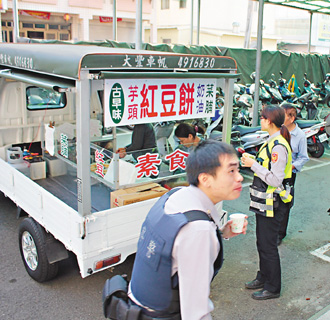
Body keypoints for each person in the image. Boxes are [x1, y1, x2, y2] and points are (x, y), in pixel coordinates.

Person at [128, 140, 247, 320]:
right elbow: (196, 312)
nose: (239, 177)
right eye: (231, 171)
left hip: (136, 304)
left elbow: (177, 243)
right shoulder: (199, 230)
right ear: (205, 178)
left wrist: (222, 232)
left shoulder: (175, 194)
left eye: (238, 170)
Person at [241, 105, 292, 300]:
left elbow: (275, 180)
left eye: (262, 118)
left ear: (268, 121)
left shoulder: (278, 145)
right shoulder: (271, 141)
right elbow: (267, 166)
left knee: (268, 245)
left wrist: (252, 165)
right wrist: (253, 161)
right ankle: (263, 277)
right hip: (265, 203)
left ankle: (273, 287)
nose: (260, 121)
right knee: (262, 242)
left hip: (274, 203)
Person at [278, 103, 309, 245]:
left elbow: (303, 157)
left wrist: (291, 166)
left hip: (289, 175)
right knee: (273, 200)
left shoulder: (300, 135)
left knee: (285, 203)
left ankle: (280, 234)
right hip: (276, 172)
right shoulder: (278, 130)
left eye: (282, 115)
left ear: (291, 118)